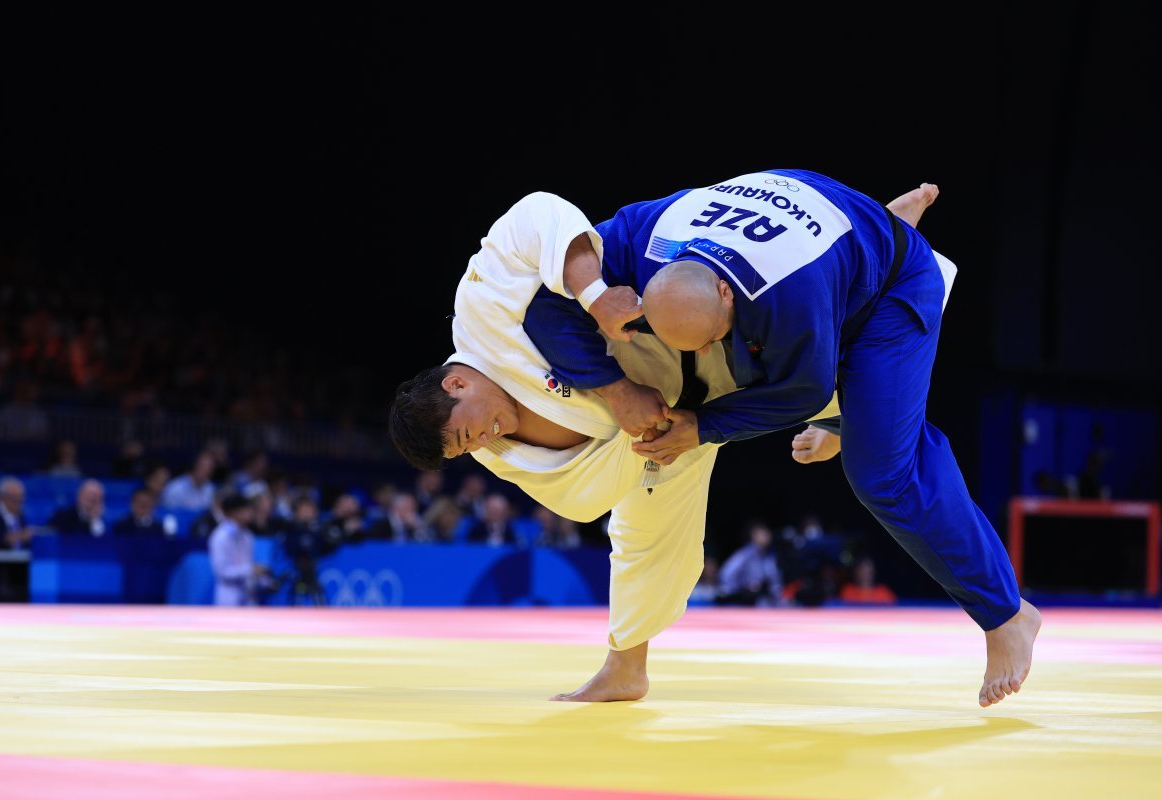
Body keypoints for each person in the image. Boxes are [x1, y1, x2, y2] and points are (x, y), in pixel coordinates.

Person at [388, 181, 931, 701]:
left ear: (456, 382)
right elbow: (578, 498)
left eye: (469, 430)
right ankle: (625, 668)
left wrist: (596, 297)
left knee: (814, 346)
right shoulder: (498, 449)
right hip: (677, 418)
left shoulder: (482, 309)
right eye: (468, 449)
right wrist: (648, 434)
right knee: (641, 536)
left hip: (673, 307)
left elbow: (540, 215)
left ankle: (881, 237)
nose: (484, 441)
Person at [566, 168, 1037, 708]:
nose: (701, 353)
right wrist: (596, 297)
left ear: (724, 290)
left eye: (710, 334)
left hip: (888, 287)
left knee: (882, 473)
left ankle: (1007, 614)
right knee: (758, 352)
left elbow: (803, 392)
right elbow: (561, 269)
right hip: (809, 220)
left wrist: (703, 428)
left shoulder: (788, 296)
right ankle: (880, 230)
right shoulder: (636, 235)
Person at [207, 493, 272, 606]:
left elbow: (248, 565)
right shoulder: (220, 537)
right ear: (234, 512)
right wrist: (252, 570)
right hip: (228, 597)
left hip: (249, 597)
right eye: (247, 510)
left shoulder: (247, 536)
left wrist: (264, 581)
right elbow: (222, 572)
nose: (251, 513)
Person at [717, 519, 784, 607]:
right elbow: (726, 574)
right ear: (753, 535)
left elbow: (775, 581)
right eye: (762, 534)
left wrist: (778, 596)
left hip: (766, 601)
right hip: (745, 601)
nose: (766, 536)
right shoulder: (744, 555)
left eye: (767, 533)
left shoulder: (770, 556)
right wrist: (739, 591)